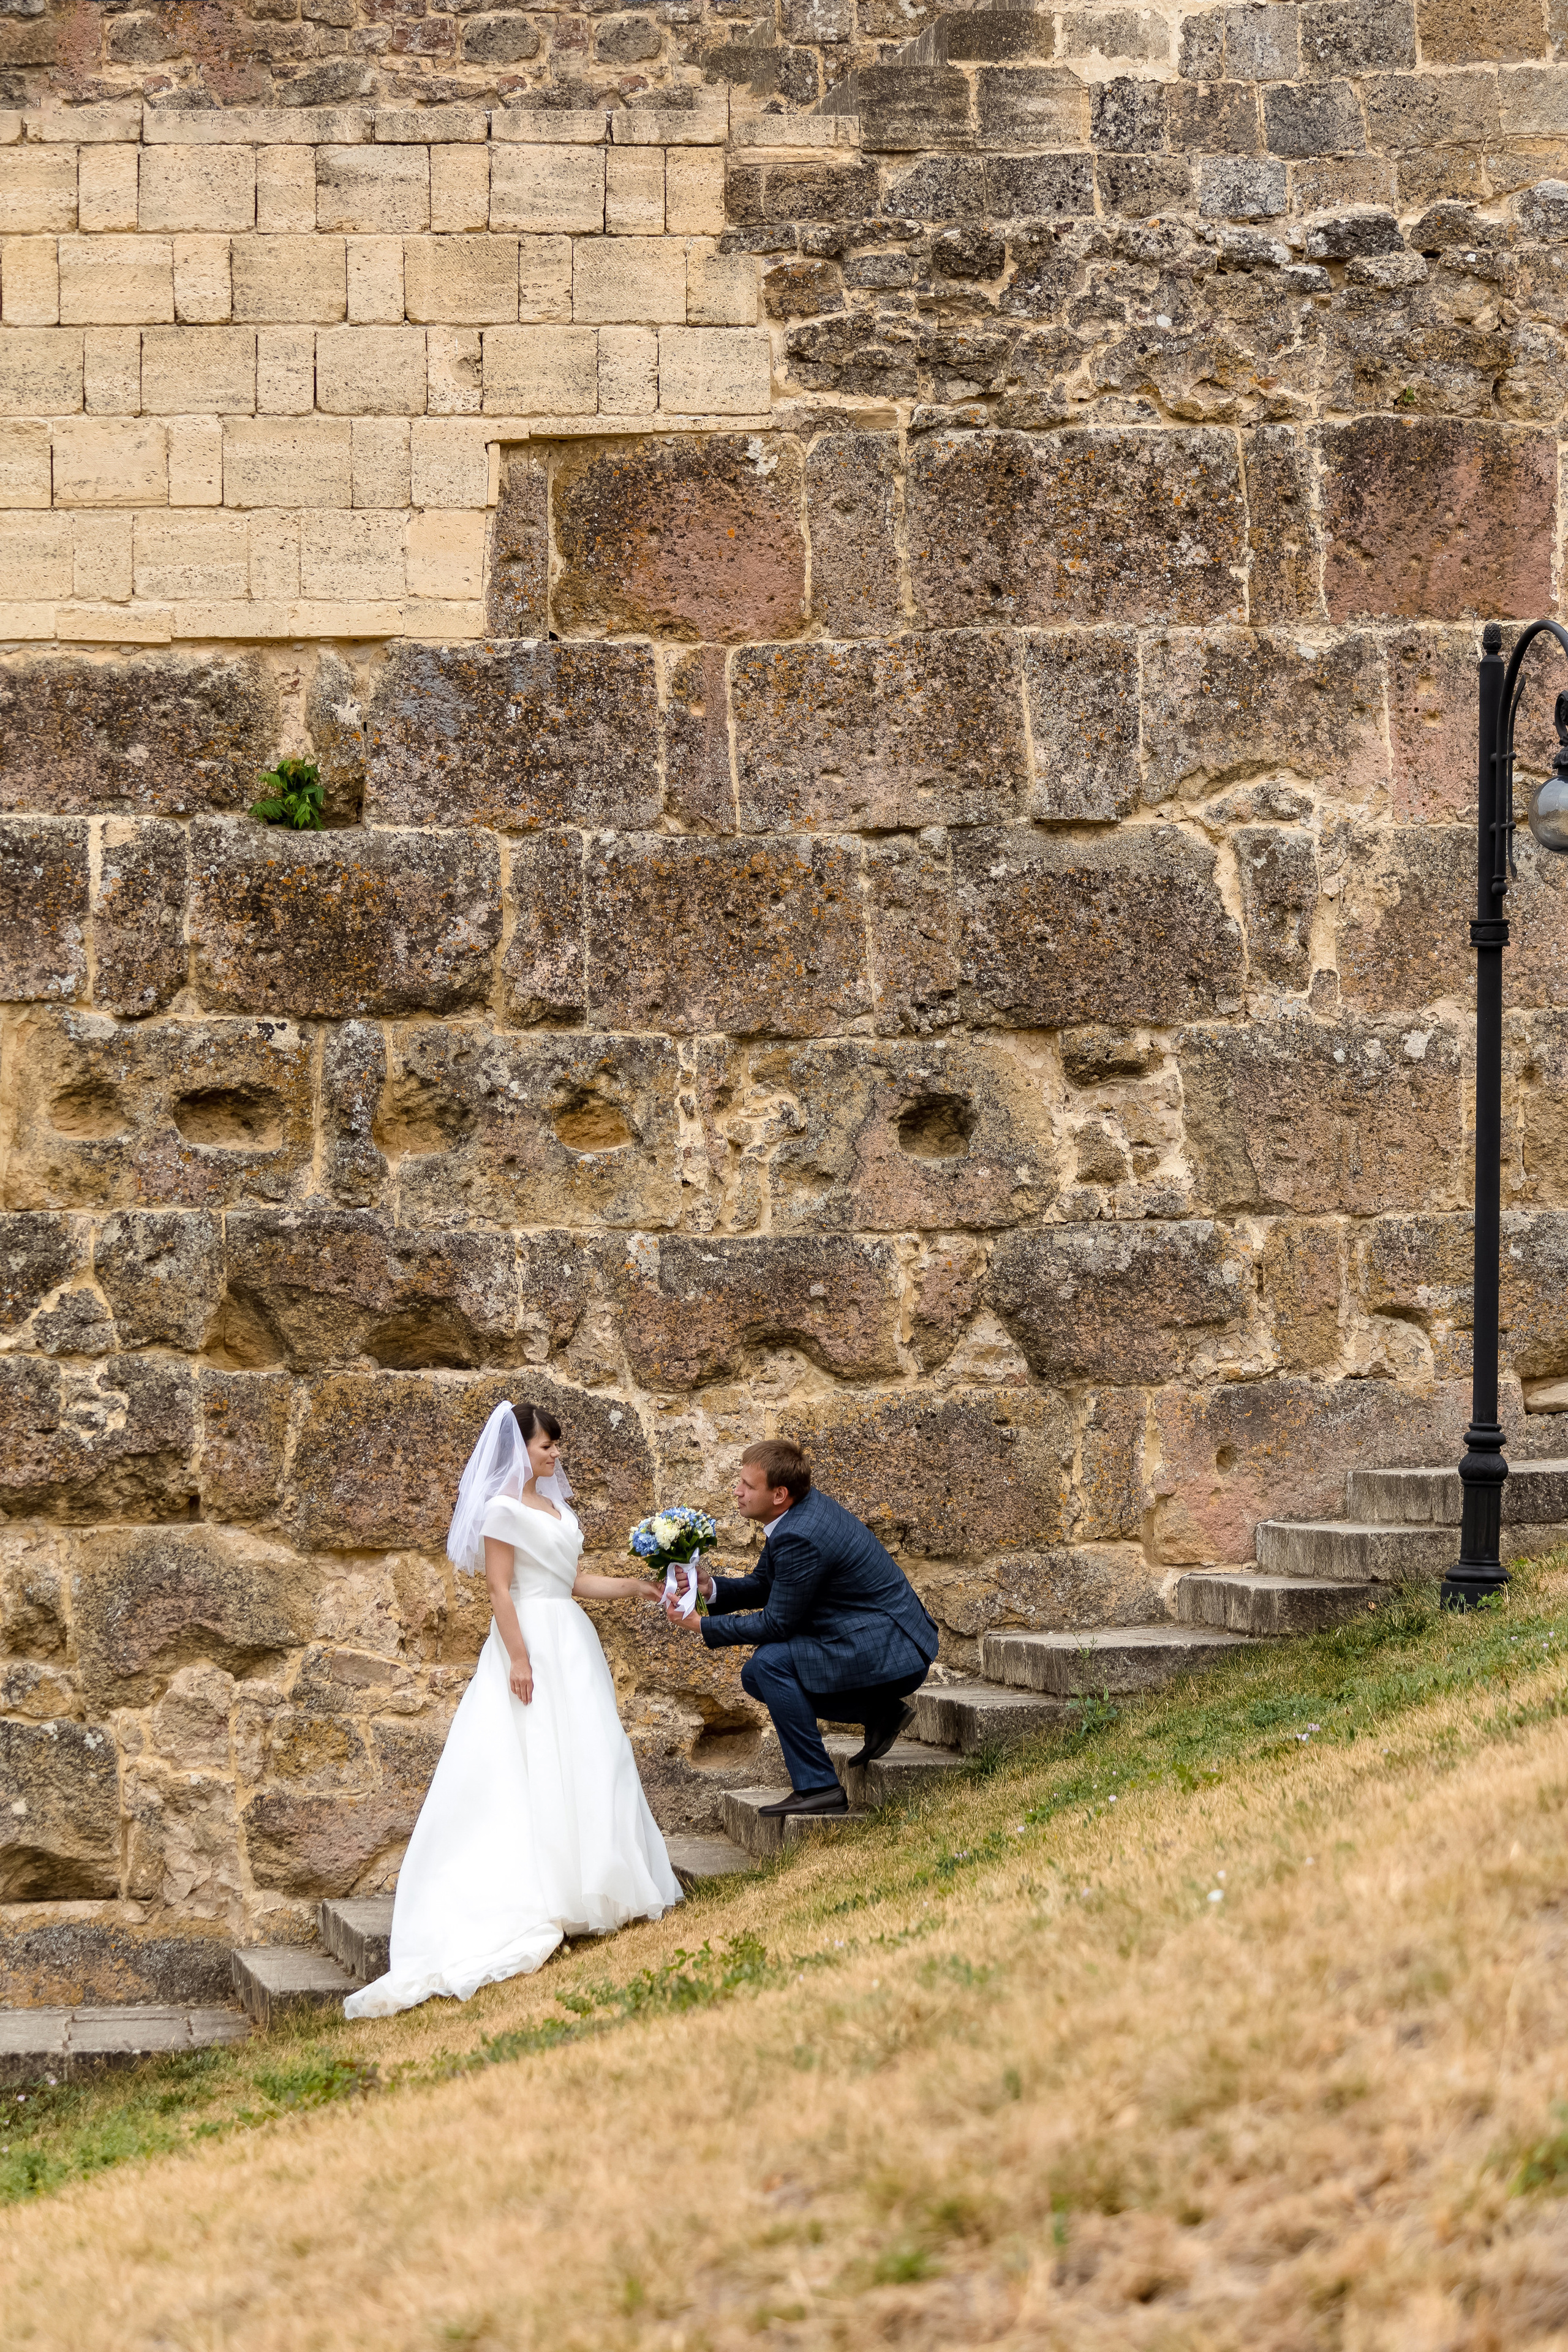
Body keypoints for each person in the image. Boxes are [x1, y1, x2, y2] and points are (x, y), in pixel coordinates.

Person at [344, 1400, 682, 2018]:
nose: (554, 1454)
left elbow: (572, 1580)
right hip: (528, 1640)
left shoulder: (555, 1506)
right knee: (529, 1756)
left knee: (592, 1753)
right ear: (517, 1448)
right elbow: (500, 1589)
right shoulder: (501, 1510)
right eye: (545, 1445)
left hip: (571, 1638)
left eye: (555, 1446)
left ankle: (600, 1880)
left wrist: (635, 1586)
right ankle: (542, 1891)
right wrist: (519, 1658)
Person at [662, 1439, 939, 1819]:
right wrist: (712, 1590)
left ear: (779, 1494)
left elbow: (778, 1623)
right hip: (876, 1637)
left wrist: (703, 1626)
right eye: (739, 1481)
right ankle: (877, 1713)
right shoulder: (794, 1516)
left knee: (769, 1665)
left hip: (890, 1649)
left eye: (748, 1485)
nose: (737, 1491)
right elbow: (766, 1584)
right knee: (759, 1675)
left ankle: (818, 1787)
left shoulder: (800, 1534)